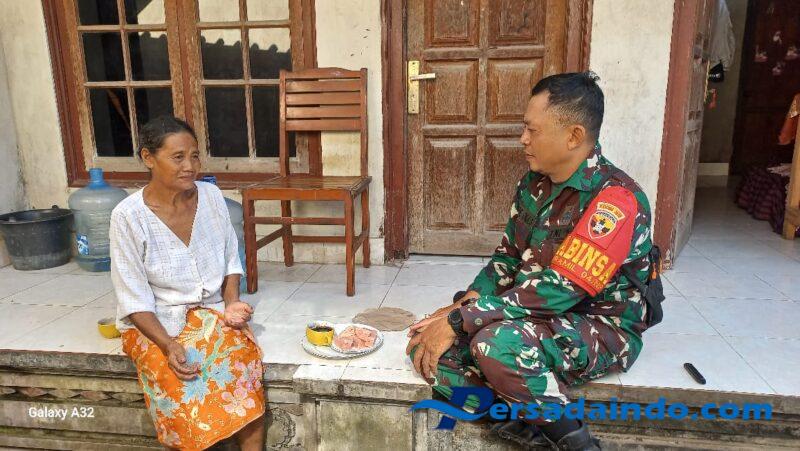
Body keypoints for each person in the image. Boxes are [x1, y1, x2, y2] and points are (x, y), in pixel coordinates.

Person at [406, 72, 655, 451]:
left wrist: (463, 319)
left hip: (599, 325)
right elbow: (507, 259)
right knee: (425, 344)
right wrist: (463, 305)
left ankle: (578, 444)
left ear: (573, 136)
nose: (523, 138)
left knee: (495, 343)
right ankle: (524, 431)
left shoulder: (615, 201)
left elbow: (559, 291)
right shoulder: (534, 183)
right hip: (535, 314)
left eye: (532, 130)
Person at [110, 116, 265, 450]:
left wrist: (231, 302)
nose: (190, 166)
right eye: (178, 157)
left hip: (210, 312)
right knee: (180, 384)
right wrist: (168, 345)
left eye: (194, 156)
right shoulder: (127, 217)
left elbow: (230, 258)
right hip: (155, 323)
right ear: (148, 157)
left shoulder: (211, 197)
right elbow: (133, 298)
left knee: (241, 366)